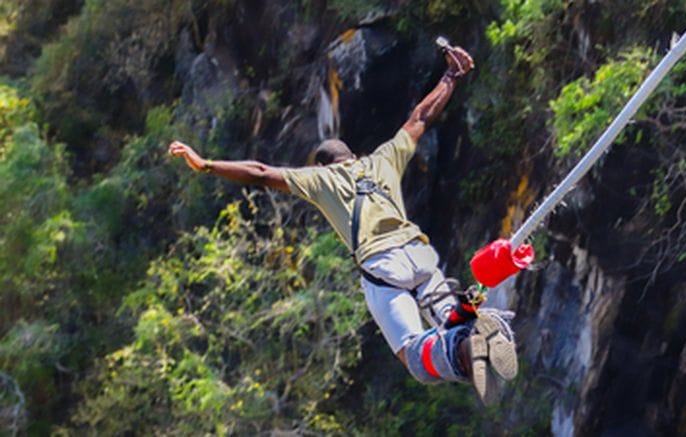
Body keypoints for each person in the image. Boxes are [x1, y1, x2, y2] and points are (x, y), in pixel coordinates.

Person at [169, 43, 517, 403]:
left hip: (383, 267)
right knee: (452, 320)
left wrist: (206, 164)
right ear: (353, 156)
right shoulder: (381, 160)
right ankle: (473, 333)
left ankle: (462, 349)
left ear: (322, 166)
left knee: (416, 357)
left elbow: (260, 172)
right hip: (420, 255)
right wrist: (451, 75)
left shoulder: (320, 180)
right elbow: (420, 118)